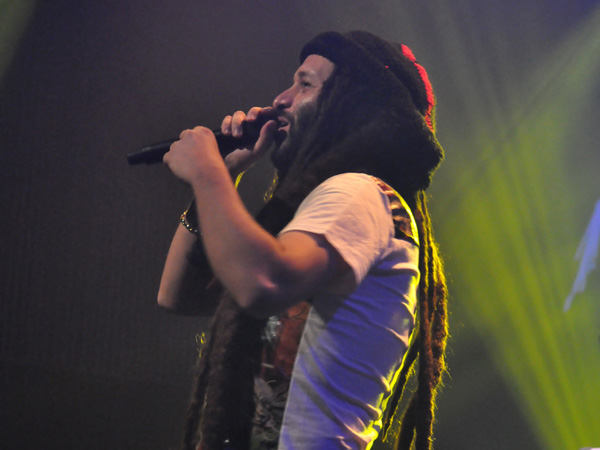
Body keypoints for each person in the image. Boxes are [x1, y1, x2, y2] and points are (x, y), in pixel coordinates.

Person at [159, 30, 448, 450]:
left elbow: (262, 282)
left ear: (350, 105)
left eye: (305, 84)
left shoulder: (359, 195)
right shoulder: (317, 213)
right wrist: (227, 172)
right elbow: (178, 295)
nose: (280, 99)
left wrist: (207, 173)